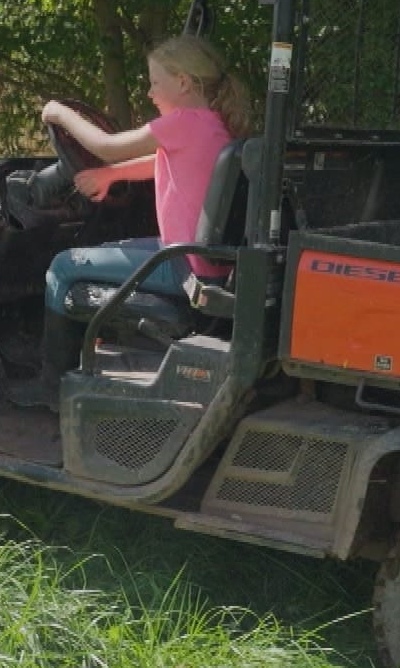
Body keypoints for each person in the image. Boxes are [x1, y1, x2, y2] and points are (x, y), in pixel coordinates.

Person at [30, 34, 253, 400]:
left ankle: (52, 389)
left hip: (182, 264)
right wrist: (110, 176)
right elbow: (163, 161)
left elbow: (105, 147)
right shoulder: (213, 123)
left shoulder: (182, 122)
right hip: (200, 260)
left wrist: (59, 113)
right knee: (111, 249)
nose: (150, 93)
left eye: (154, 83)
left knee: (62, 266)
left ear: (182, 82)